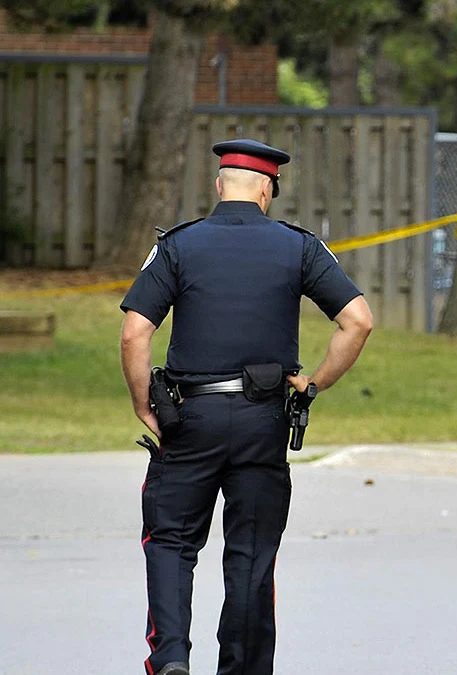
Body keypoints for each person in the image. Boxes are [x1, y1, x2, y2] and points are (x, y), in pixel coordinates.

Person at [119, 139, 374, 675]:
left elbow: (134, 332)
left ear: (219, 186)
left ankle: (169, 659)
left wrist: (144, 403)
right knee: (252, 554)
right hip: (263, 421)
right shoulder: (299, 247)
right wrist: (313, 384)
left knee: (170, 541)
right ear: (267, 189)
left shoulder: (178, 246)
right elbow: (358, 321)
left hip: (189, 418)